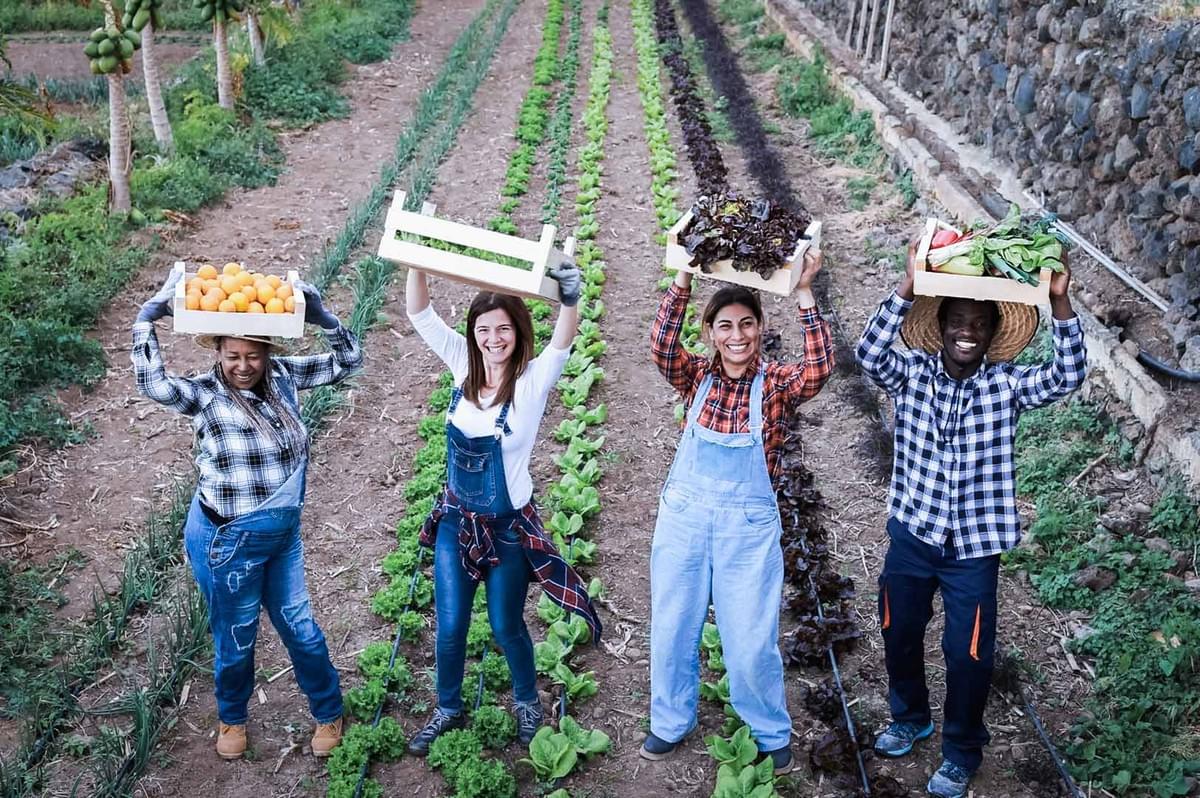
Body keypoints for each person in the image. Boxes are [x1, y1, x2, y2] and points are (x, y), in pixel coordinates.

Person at [856, 246, 1086, 798]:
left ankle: (961, 750)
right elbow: (867, 353)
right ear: (940, 328)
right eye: (957, 322)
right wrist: (908, 285)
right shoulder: (910, 374)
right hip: (912, 535)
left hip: (974, 549)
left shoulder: (1005, 385)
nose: (967, 333)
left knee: (970, 653)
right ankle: (910, 717)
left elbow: (1068, 373)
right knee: (899, 632)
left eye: (978, 325)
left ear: (989, 335)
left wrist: (1060, 302)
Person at [131, 269, 362, 761]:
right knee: (235, 637)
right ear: (217, 353)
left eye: (253, 355)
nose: (243, 365)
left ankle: (328, 710)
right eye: (233, 356)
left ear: (269, 354)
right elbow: (153, 384)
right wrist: (146, 320)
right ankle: (232, 718)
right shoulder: (204, 394)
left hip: (281, 537)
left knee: (301, 628)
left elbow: (348, 360)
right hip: (226, 539)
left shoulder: (285, 378)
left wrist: (324, 319)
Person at [643, 252, 835, 775]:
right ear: (710, 332)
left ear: (760, 327)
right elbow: (661, 346)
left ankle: (769, 729)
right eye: (724, 325)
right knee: (673, 625)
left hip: (746, 529)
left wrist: (803, 292)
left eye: (746, 324)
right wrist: (683, 273)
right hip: (685, 519)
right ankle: (669, 720)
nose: (736, 335)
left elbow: (819, 369)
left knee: (751, 639)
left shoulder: (773, 384)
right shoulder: (694, 377)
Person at [403, 262, 601, 755]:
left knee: (505, 626)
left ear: (517, 331)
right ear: (473, 333)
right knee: (449, 628)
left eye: (503, 329)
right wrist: (416, 260)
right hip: (456, 522)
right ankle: (447, 708)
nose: (493, 339)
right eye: (483, 329)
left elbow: (562, 344)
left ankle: (527, 702)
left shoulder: (531, 383)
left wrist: (571, 298)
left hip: (509, 528)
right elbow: (420, 313)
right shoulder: (462, 366)